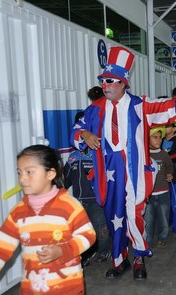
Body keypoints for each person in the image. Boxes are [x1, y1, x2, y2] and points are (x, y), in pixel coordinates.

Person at [70, 46, 176, 280]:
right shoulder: (95, 108)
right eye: (103, 81)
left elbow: (165, 108)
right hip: (109, 175)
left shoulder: (140, 105)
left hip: (134, 174)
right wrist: (84, 135)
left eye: (110, 81)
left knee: (135, 216)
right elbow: (76, 129)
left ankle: (139, 258)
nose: (105, 85)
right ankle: (119, 261)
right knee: (113, 216)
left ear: (123, 83)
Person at [0, 145, 96, 294]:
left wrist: (63, 250)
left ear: (50, 174)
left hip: (68, 288)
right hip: (32, 288)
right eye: (19, 172)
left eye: (29, 172)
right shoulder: (18, 212)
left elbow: (88, 236)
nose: (22, 178)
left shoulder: (69, 206)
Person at [64, 113, 111, 266]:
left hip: (96, 200)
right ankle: (86, 254)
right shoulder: (72, 157)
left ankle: (104, 251)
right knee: (81, 230)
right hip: (79, 201)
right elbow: (65, 179)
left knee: (100, 228)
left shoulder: (99, 154)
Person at [145, 127, 173, 248]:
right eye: (154, 137)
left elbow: (170, 166)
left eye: (160, 138)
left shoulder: (164, 154)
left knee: (163, 218)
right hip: (148, 194)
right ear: (147, 139)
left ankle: (162, 237)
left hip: (163, 191)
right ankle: (147, 240)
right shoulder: (144, 155)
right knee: (148, 219)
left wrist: (169, 173)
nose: (158, 140)